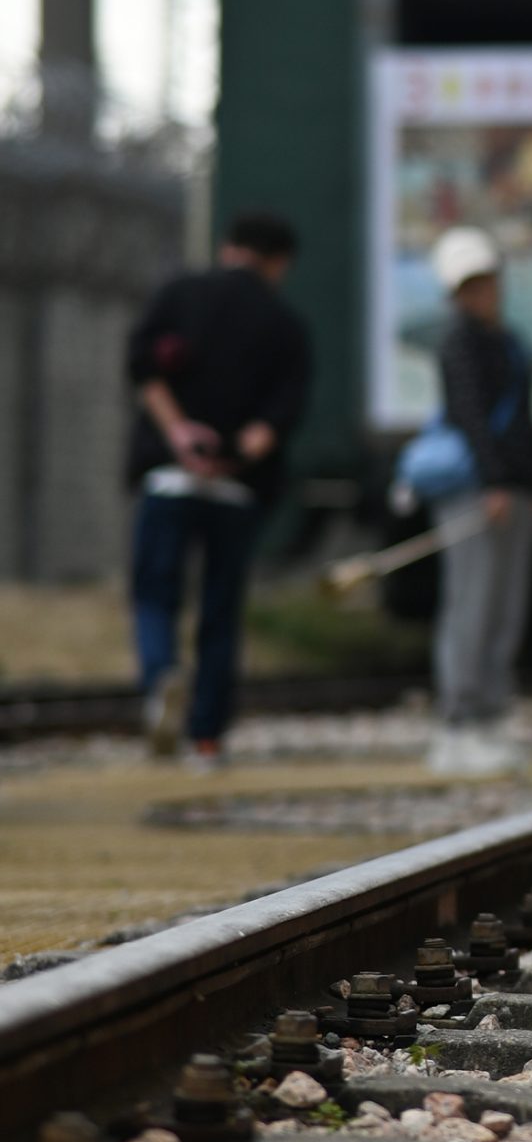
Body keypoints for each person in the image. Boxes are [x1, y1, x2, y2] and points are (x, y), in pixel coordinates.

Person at [126, 210, 312, 766]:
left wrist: (181, 434)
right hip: (236, 489)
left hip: (170, 475)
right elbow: (275, 421)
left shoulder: (180, 293)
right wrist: (233, 456)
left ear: (228, 247)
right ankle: (205, 738)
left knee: (155, 593)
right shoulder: (286, 323)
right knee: (220, 609)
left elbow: (141, 367)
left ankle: (161, 673)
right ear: (280, 262)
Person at [427, 227, 532, 776]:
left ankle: (492, 717)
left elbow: (525, 421)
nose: (483, 292)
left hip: (513, 490)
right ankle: (458, 724)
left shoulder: (508, 341)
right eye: (471, 285)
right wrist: (496, 480)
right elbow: (472, 418)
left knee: (504, 608)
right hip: (479, 492)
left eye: (487, 280)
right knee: (471, 606)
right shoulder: (460, 342)